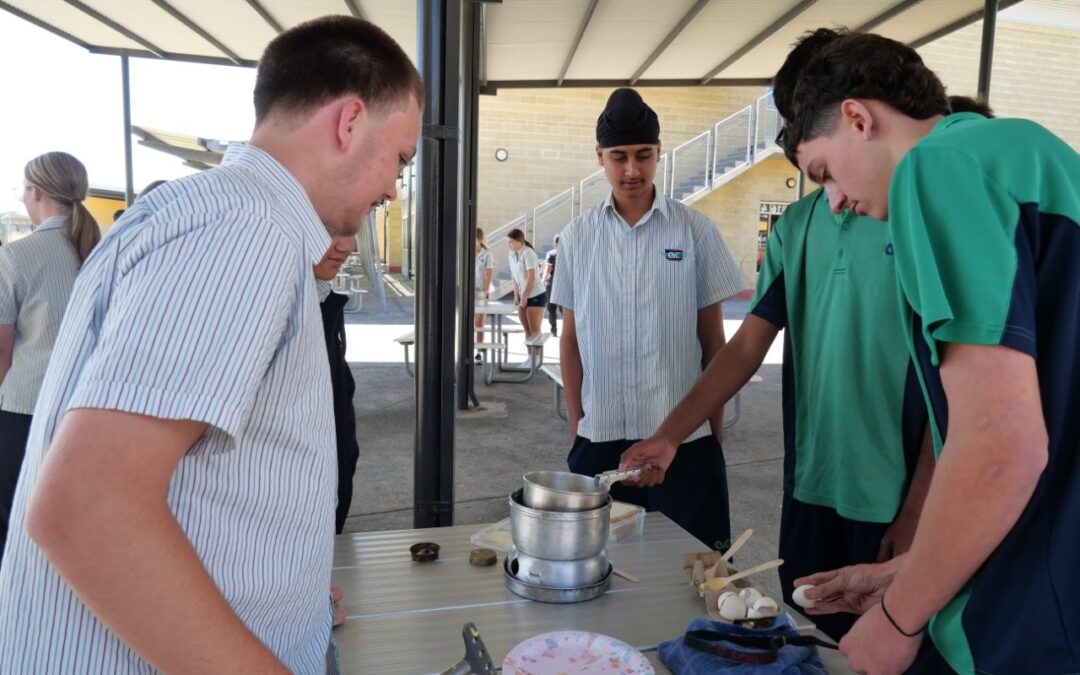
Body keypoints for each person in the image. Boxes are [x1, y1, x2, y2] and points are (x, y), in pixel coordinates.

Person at [0, 16, 422, 674]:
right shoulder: (244, 232)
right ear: (349, 122)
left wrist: (288, 599)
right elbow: (87, 509)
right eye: (400, 158)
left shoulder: (206, 215)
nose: (394, 186)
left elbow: (205, 485)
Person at [779, 31, 1080, 675]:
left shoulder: (935, 166)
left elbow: (1003, 445)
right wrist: (904, 572)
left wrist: (898, 618)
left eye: (825, 173)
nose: (834, 201)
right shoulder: (1030, 152)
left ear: (859, 118)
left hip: (1039, 617)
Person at [620, 28, 933, 642]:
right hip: (814, 481)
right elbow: (744, 347)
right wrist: (669, 436)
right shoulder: (797, 225)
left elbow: (960, 387)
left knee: (895, 641)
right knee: (810, 633)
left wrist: (921, 508)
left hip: (896, 494)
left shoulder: (910, 210)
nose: (835, 192)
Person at [551, 88, 744, 551]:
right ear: (600, 156)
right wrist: (579, 425)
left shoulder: (696, 231)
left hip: (686, 443)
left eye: (644, 155)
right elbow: (572, 341)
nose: (632, 170)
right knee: (597, 574)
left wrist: (711, 436)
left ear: (660, 153)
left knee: (695, 580)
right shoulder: (577, 237)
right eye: (619, 157)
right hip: (600, 440)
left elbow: (714, 345)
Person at [0, 151, 101, 567]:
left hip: (22, 411)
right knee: (72, 523)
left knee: (14, 523)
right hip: (86, 410)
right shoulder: (102, 249)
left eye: (24, 190)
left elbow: (2, 355)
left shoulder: (16, 256)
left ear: (35, 191)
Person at [314, 235, 361, 535]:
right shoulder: (269, 309)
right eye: (330, 230)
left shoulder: (324, 300)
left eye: (350, 231)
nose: (345, 246)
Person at [506, 227, 546, 367]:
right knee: (526, 329)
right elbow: (514, 277)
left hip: (535, 294)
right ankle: (530, 358)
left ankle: (537, 360)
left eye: (511, 242)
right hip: (523, 294)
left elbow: (531, 277)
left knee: (534, 330)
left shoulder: (528, 253)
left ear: (519, 241)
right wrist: (516, 295)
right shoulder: (512, 254)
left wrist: (524, 296)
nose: (508, 244)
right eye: (508, 242)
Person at [474, 227, 494, 360]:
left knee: (479, 323)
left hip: (481, 291)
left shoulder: (487, 255)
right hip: (468, 291)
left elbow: (489, 275)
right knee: (466, 322)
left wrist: (486, 294)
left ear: (479, 239)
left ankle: (479, 352)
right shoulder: (465, 252)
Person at [542, 234, 560, 336]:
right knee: (565, 309)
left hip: (552, 284)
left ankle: (554, 329)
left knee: (551, 308)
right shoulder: (569, 253)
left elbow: (548, 269)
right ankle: (568, 331)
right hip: (565, 284)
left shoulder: (551, 253)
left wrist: (542, 281)